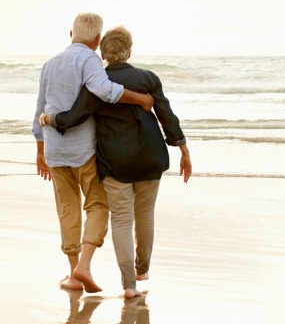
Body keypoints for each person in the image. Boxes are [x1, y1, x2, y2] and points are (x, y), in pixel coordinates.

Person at [41, 26, 191, 298]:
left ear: (103, 53)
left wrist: (50, 119)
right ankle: (142, 269)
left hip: (115, 164)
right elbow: (167, 115)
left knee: (122, 220)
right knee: (145, 214)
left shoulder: (96, 83)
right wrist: (182, 148)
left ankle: (129, 285)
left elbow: (74, 117)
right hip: (150, 157)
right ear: (129, 51)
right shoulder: (148, 78)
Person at [33, 14, 154, 293]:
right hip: (83, 150)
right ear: (97, 40)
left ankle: (74, 275)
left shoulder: (49, 64)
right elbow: (104, 90)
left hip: (54, 149)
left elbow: (40, 107)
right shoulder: (90, 59)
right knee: (98, 205)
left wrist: (40, 149)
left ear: (71, 33)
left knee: (67, 209)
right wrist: (140, 98)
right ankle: (84, 266)